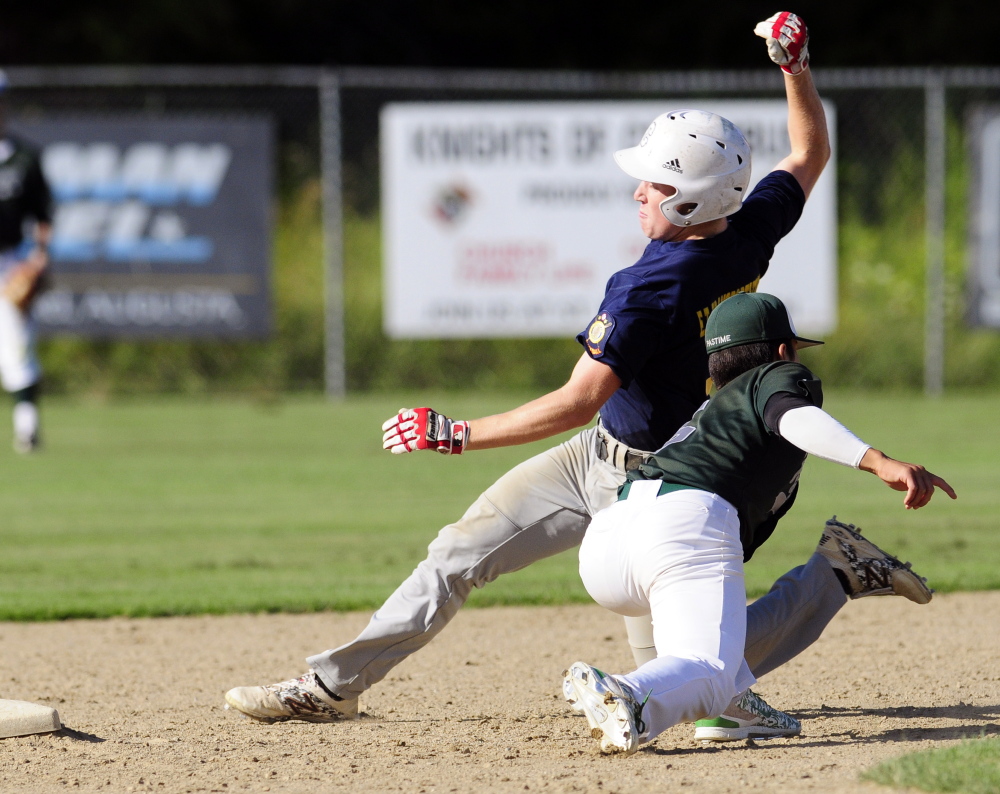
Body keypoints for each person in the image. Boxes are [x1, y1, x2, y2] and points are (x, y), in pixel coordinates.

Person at [224, 12, 927, 739]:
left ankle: (832, 574)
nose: (638, 195)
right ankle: (334, 684)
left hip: (665, 487)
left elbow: (576, 399)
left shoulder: (648, 287)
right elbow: (810, 151)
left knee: (699, 678)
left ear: (689, 199)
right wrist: (796, 67)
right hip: (602, 455)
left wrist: (455, 433)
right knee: (460, 553)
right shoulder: (745, 231)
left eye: (652, 186)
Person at [562, 291, 956, 754]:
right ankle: (627, 695)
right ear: (784, 352)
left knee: (709, 662)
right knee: (706, 667)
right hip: (684, 524)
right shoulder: (772, 378)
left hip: (612, 537)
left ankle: (730, 705)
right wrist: (879, 462)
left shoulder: (712, 413)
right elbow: (793, 416)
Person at [0, 69, 53, 453]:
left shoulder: (24, 158)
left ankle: (27, 429)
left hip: (9, 262)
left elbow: (43, 212)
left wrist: (39, 256)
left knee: (17, 346)